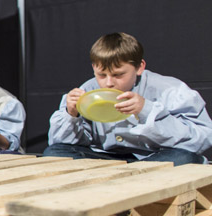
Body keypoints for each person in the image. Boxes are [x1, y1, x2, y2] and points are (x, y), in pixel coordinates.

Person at [44, 32, 212, 165]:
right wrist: (71, 114)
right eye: (101, 74)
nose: (108, 83)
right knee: (54, 154)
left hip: (154, 158)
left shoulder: (170, 90)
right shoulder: (87, 90)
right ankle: (129, 179)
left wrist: (146, 110)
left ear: (139, 67)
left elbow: (203, 137)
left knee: (184, 159)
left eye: (118, 75)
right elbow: (64, 143)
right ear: (93, 68)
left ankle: (119, 180)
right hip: (107, 160)